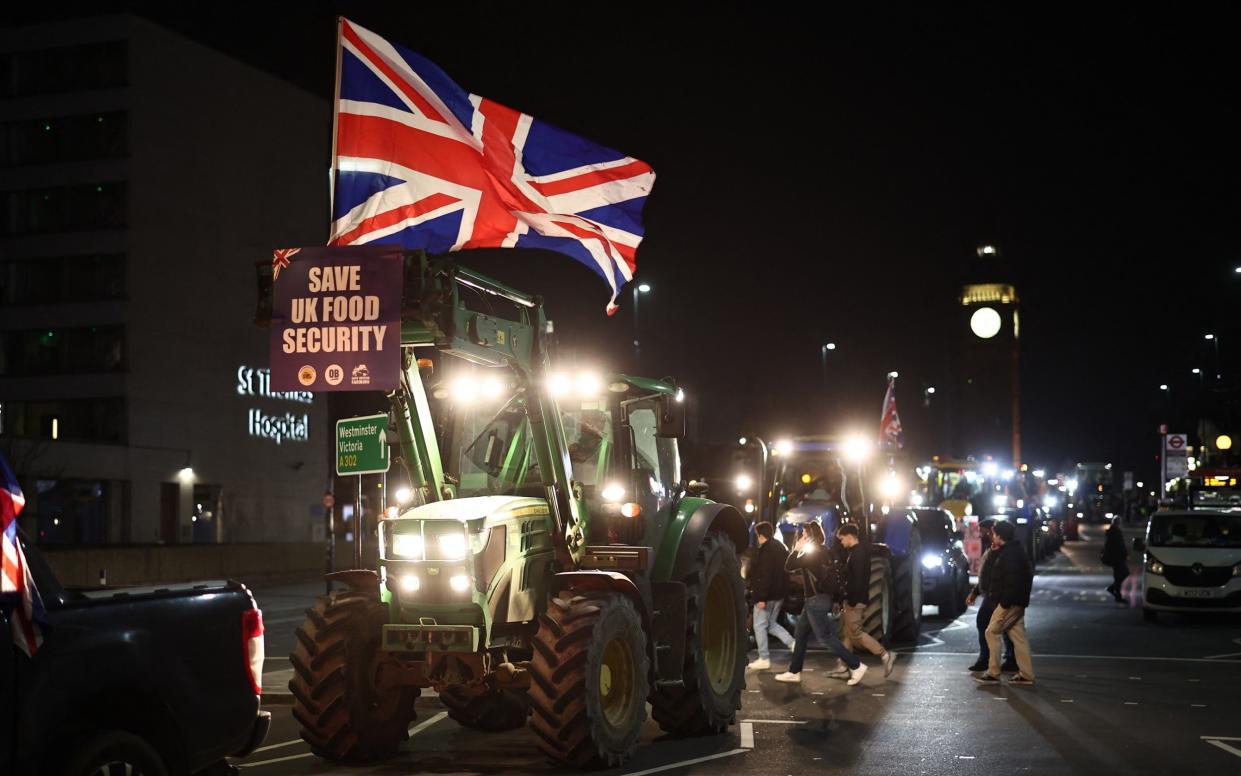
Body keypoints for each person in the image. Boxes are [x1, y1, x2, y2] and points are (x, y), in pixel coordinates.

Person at [775, 523, 868, 686]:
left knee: (825, 637)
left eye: (804, 534)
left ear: (809, 536)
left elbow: (788, 566)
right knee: (801, 633)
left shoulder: (812, 553)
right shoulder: (827, 551)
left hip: (815, 600)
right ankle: (794, 671)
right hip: (821, 598)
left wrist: (797, 548)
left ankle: (856, 665)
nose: (801, 536)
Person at [974, 520, 1035, 685]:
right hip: (1016, 601)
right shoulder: (1010, 550)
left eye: (994, 534)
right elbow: (996, 571)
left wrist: (1004, 603)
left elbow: (1012, 581)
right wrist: (994, 553)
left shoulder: (1010, 555)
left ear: (1000, 536)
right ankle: (1026, 674)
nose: (991, 536)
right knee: (1018, 636)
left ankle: (993, 671)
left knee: (991, 632)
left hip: (1009, 602)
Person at [833, 524, 897, 677]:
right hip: (853, 599)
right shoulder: (856, 552)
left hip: (855, 600)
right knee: (847, 633)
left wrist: (852, 601)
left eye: (842, 539)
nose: (841, 543)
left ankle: (885, 655)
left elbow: (858, 580)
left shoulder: (858, 554)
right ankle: (844, 666)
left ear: (850, 536)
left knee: (855, 632)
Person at [966, 519, 1016, 673]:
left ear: (991, 531)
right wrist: (975, 592)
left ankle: (990, 661)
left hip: (996, 594)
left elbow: (996, 574)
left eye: (982, 531)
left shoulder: (1001, 549)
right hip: (992, 593)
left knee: (989, 625)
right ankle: (1006, 659)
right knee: (1006, 628)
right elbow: (986, 574)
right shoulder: (992, 547)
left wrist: (996, 596)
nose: (980, 535)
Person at [746, 521, 796, 670]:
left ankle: (764, 658)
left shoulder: (766, 551)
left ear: (760, 535)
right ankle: (793, 643)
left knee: (759, 626)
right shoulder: (781, 547)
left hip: (766, 595)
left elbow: (764, 576)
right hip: (779, 594)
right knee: (771, 624)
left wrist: (760, 597)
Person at [1101, 516, 1129, 602]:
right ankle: (1112, 589)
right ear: (1118, 522)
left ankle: (1118, 595)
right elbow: (1120, 545)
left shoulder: (1110, 531)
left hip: (1113, 557)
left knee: (1118, 576)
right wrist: (1125, 554)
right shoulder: (1117, 532)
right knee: (1124, 573)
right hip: (1117, 557)